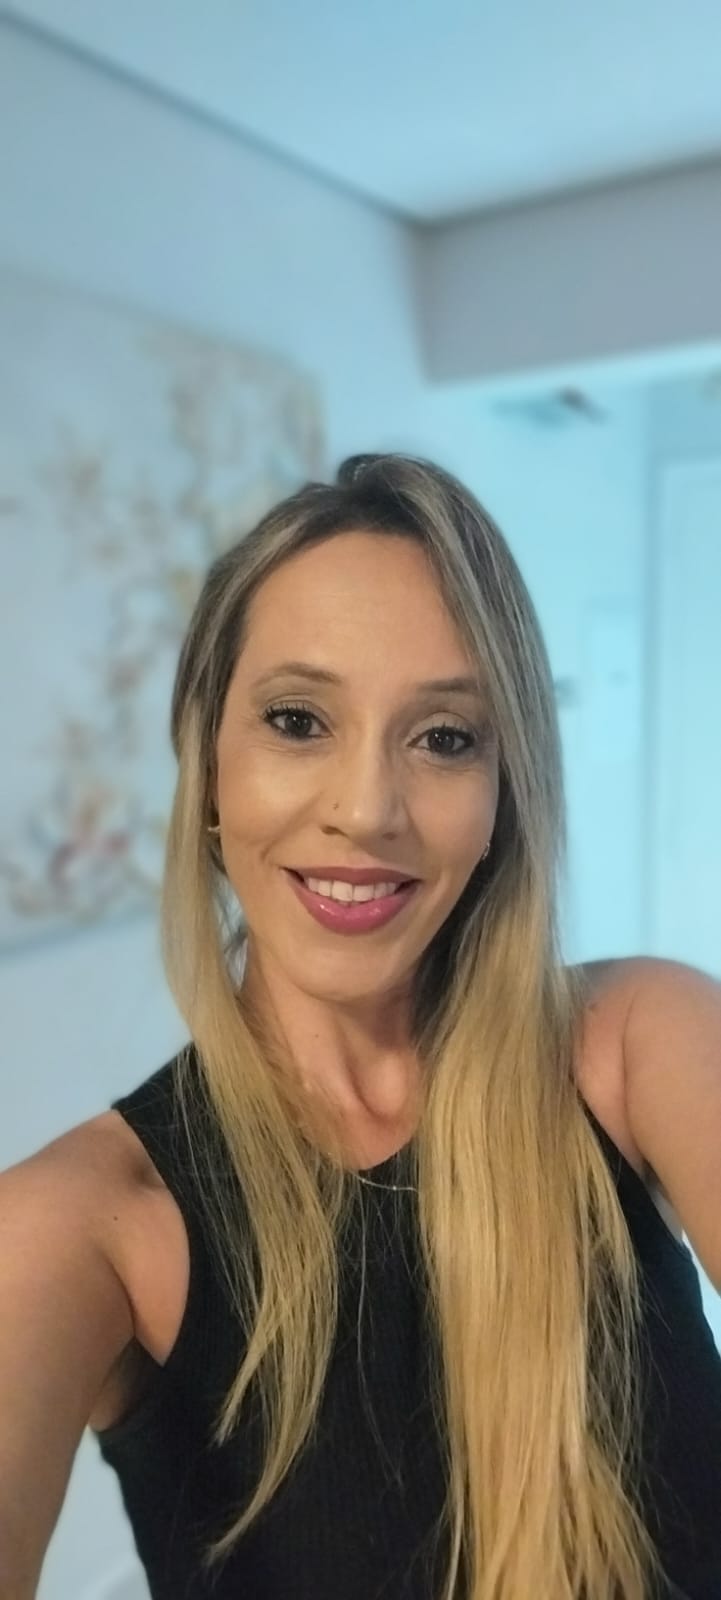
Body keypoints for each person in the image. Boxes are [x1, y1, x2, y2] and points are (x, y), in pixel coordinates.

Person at [1, 454, 720, 1600]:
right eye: (298, 720)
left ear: (505, 789)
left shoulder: (644, 1043)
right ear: (208, 761)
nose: (366, 809)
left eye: (445, 736)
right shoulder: (80, 1227)